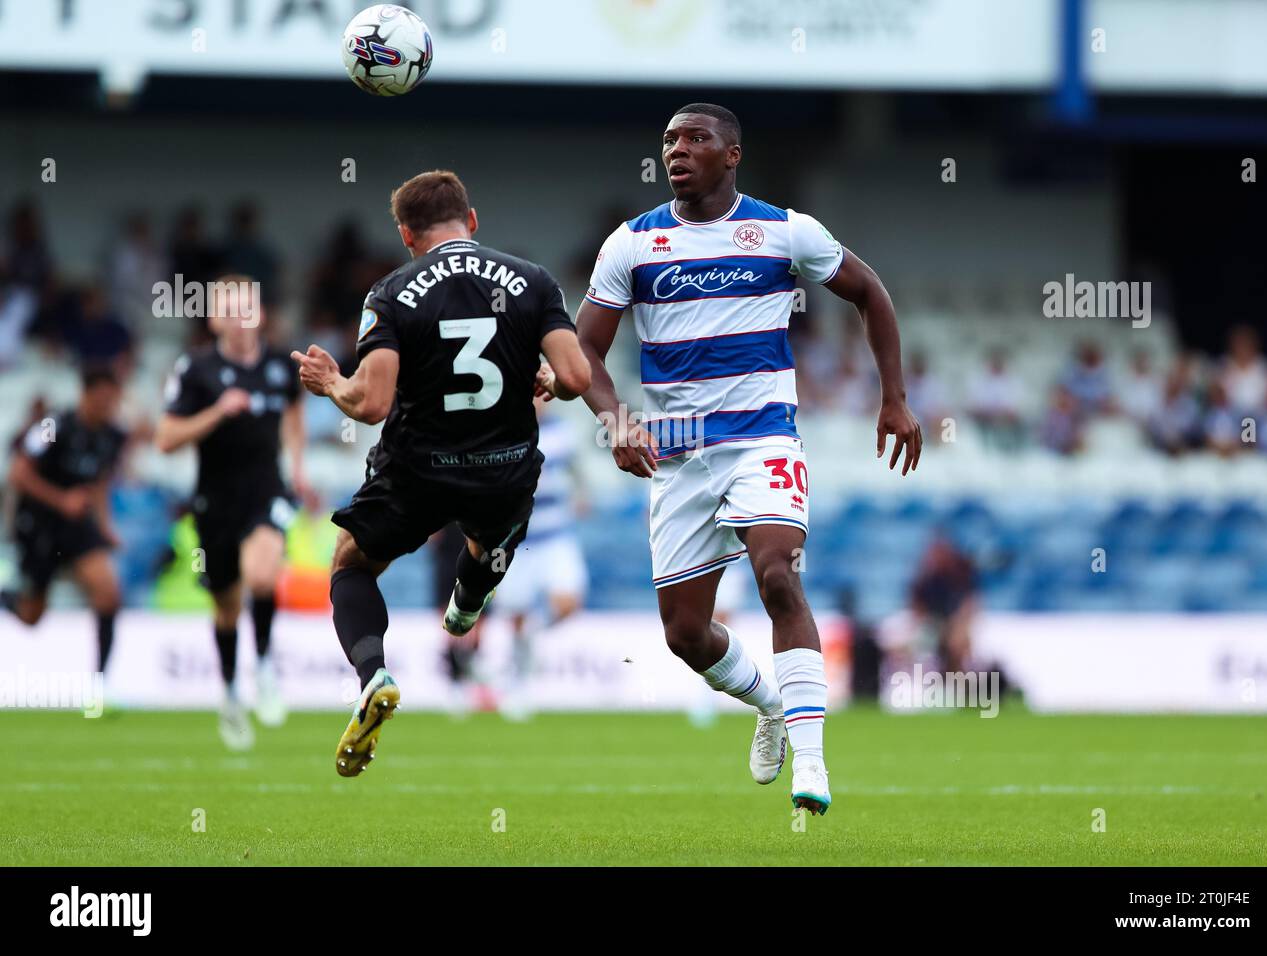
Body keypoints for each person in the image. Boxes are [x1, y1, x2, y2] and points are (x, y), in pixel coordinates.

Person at [574, 103, 922, 815]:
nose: (678, 150)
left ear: (731, 154)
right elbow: (584, 350)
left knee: (777, 578)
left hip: (763, 442)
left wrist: (895, 397)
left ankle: (815, 766)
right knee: (685, 635)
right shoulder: (632, 245)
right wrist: (614, 420)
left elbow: (870, 292)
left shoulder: (785, 230)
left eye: (695, 139)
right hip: (675, 460)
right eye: (670, 139)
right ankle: (767, 705)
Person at [290, 170, 590, 777]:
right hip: (503, 468)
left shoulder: (391, 292)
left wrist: (330, 385)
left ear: (406, 235)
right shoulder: (533, 282)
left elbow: (371, 404)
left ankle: (373, 674)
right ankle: (469, 600)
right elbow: (578, 378)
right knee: (488, 538)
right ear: (471, 221)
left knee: (350, 563)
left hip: (418, 468)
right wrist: (550, 381)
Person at [155, 275, 311, 750]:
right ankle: (228, 693)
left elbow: (294, 415)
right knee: (226, 606)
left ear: (259, 314)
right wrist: (218, 412)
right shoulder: (195, 370)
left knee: (262, 577)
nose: (240, 318)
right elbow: (166, 439)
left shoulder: (282, 366)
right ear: (214, 318)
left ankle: (264, 666)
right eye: (229, 309)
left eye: (248, 308)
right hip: (215, 502)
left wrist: (297, 468)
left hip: (267, 491)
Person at [1, 367, 126, 679]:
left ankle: (102, 683)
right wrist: (61, 500)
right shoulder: (51, 425)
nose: (107, 407)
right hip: (39, 524)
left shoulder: (110, 435)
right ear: (85, 394)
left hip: (77, 526)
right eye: (102, 400)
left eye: (112, 401)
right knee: (32, 615)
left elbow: (99, 483)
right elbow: (18, 472)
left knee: (108, 591)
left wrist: (106, 525)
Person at [491, 397, 590, 718]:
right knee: (514, 613)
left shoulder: (563, 430)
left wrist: (581, 495)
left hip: (555, 535)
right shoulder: (504, 431)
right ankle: (517, 688)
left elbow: (576, 469)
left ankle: (534, 630)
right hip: (518, 541)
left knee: (569, 601)